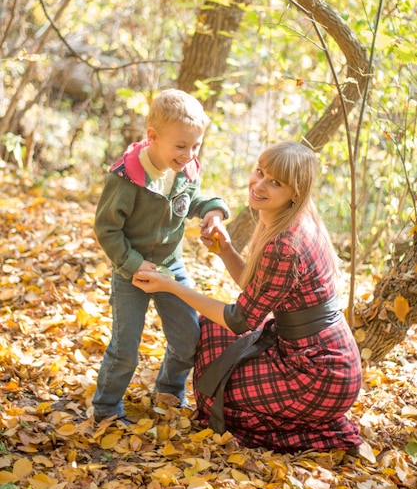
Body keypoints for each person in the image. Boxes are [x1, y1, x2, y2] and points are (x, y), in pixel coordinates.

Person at [133, 141, 363, 453]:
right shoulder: (288, 220)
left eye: (275, 182)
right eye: (260, 172)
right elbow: (256, 289)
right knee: (210, 332)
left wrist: (170, 285)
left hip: (319, 374)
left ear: (295, 192)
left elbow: (240, 319)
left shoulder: (285, 243)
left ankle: (313, 425)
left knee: (213, 393)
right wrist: (225, 249)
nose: (259, 184)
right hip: (312, 355)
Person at [92, 88, 230, 425]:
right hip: (132, 271)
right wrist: (133, 263)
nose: (188, 154)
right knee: (125, 347)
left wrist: (212, 211)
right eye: (180, 146)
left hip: (171, 267)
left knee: (188, 338)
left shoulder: (185, 169)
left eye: (195, 146)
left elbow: (192, 201)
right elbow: (106, 229)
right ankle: (107, 409)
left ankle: (169, 389)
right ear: (152, 136)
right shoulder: (126, 178)